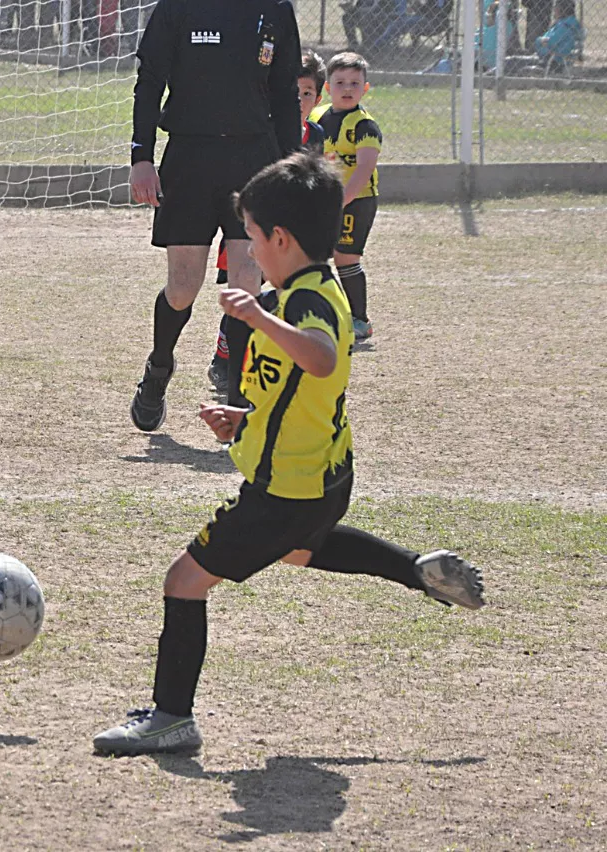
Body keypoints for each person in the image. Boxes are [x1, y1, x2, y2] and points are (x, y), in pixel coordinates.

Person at [93, 152, 486, 757]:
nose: (248, 252)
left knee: (184, 581)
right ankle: (416, 570)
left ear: (280, 238)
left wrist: (257, 315)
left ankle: (171, 718)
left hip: (286, 489)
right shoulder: (308, 290)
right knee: (298, 548)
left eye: (251, 238)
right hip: (324, 475)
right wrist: (241, 420)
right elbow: (296, 388)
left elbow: (321, 358)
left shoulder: (305, 303)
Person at [128, 0, 303, 431]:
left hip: (253, 159)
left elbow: (285, 94)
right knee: (183, 287)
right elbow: (149, 82)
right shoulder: (178, 8)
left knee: (247, 280)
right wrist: (141, 157)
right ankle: (159, 367)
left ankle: (237, 398)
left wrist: (291, 168)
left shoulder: (276, 9)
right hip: (190, 157)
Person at [207, 48, 327, 397]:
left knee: (279, 297)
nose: (300, 100)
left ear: (318, 98)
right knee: (246, 291)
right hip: (257, 231)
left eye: (307, 93)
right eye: (294, 92)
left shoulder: (315, 135)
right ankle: (224, 359)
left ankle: (271, 358)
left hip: (290, 233)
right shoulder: (265, 132)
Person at [311, 52, 381, 340]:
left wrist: (341, 200)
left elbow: (364, 168)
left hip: (357, 200)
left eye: (355, 83)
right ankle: (323, 313)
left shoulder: (365, 125)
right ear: (328, 87)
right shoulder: (316, 117)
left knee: (345, 257)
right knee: (313, 256)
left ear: (365, 88)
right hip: (323, 200)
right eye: (340, 83)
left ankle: (360, 320)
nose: (347, 89)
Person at [535, 0, 583, 72]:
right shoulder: (566, 23)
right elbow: (547, 39)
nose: (553, 9)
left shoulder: (565, 26)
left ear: (562, 9)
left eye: (555, 7)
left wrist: (538, 40)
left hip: (553, 61)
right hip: (553, 58)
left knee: (520, 62)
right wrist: (542, 40)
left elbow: (551, 42)